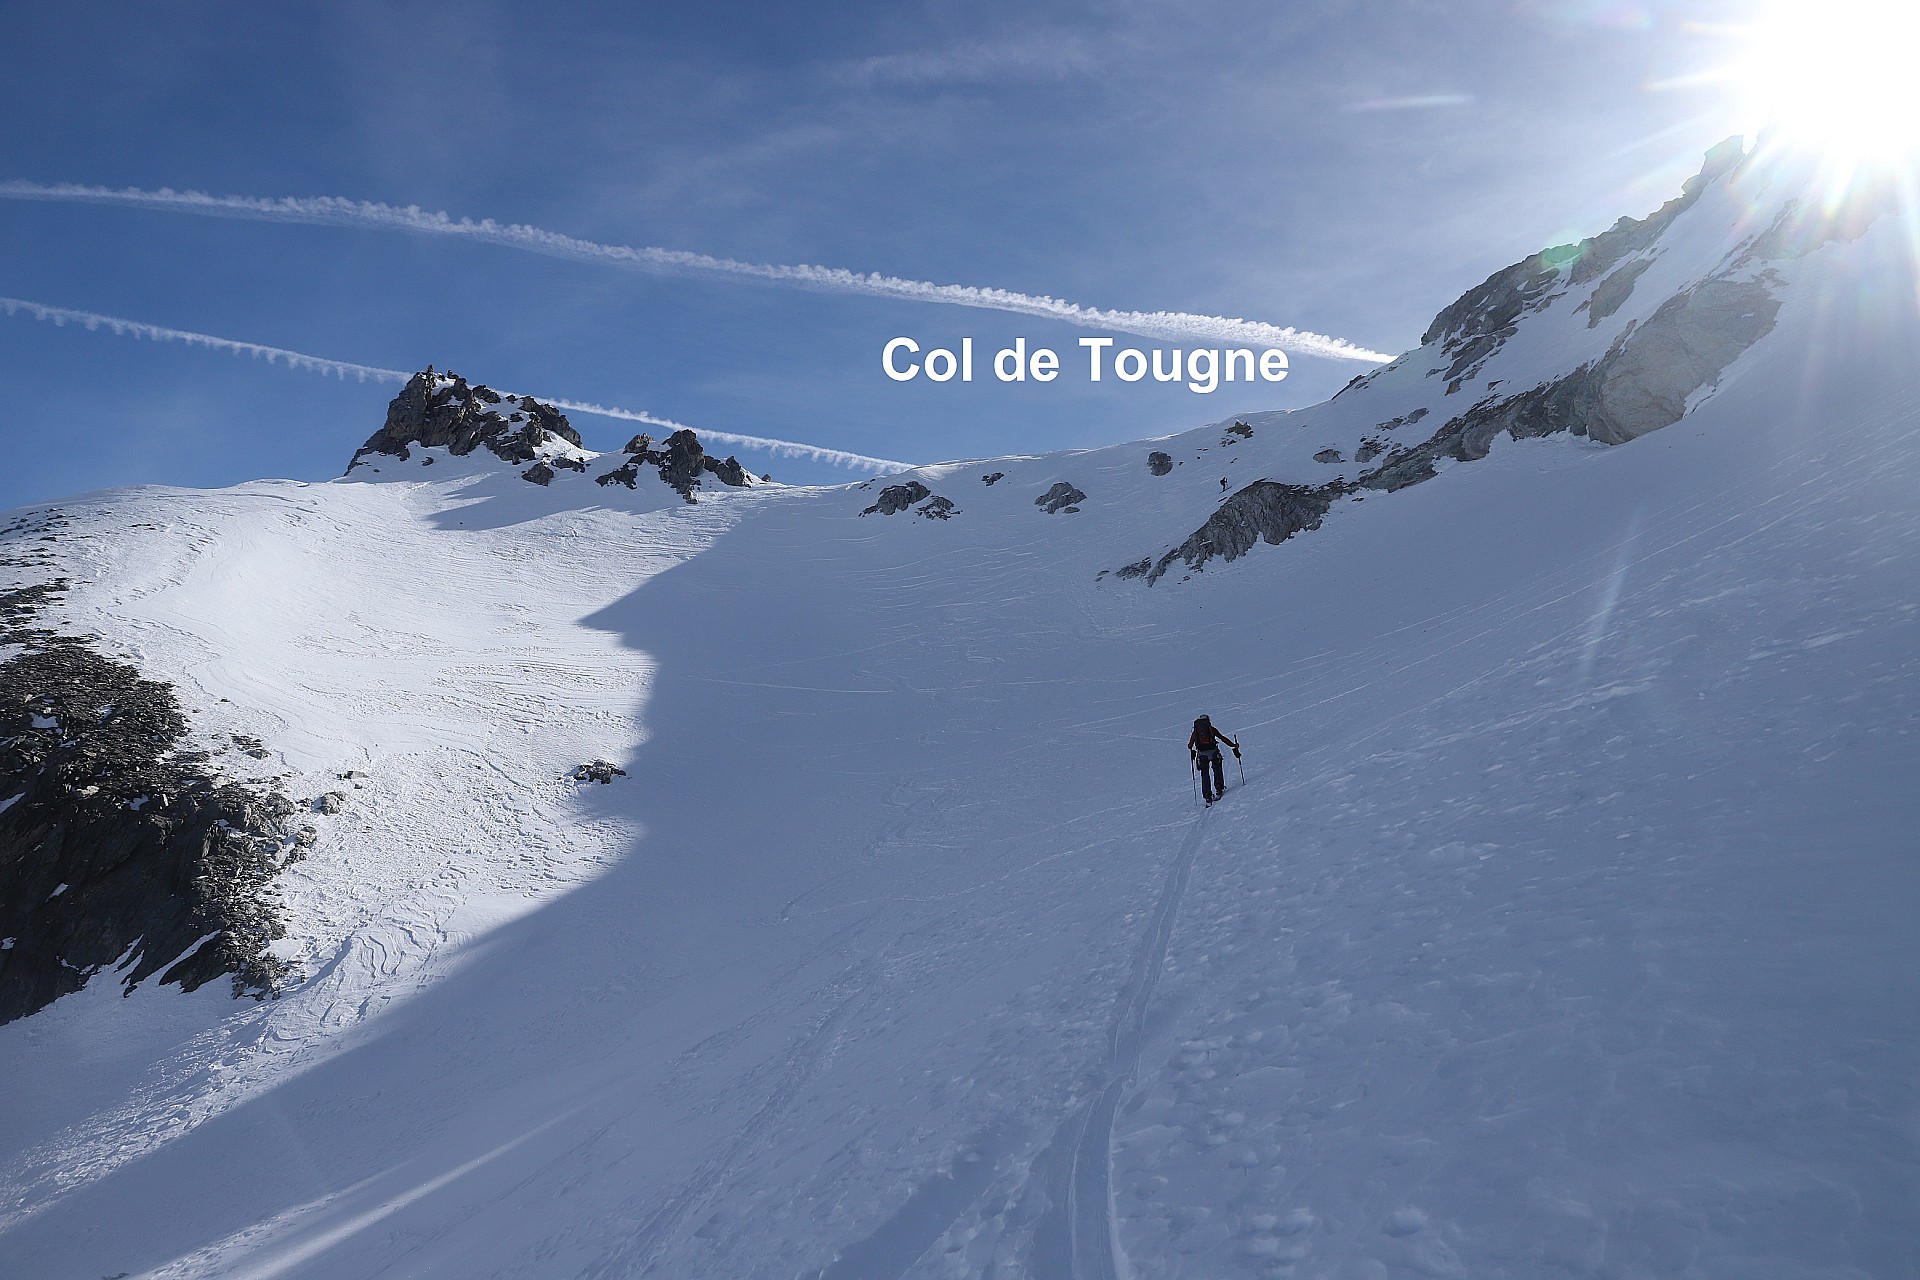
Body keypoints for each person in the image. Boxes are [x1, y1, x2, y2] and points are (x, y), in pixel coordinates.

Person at [1188, 715, 1240, 804]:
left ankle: (1207, 795)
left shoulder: (1196, 732)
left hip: (1202, 755)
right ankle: (1219, 787)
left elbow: (1190, 745)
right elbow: (1222, 738)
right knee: (1217, 769)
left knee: (1204, 774)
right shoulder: (1211, 729)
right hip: (1214, 752)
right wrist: (1234, 745)